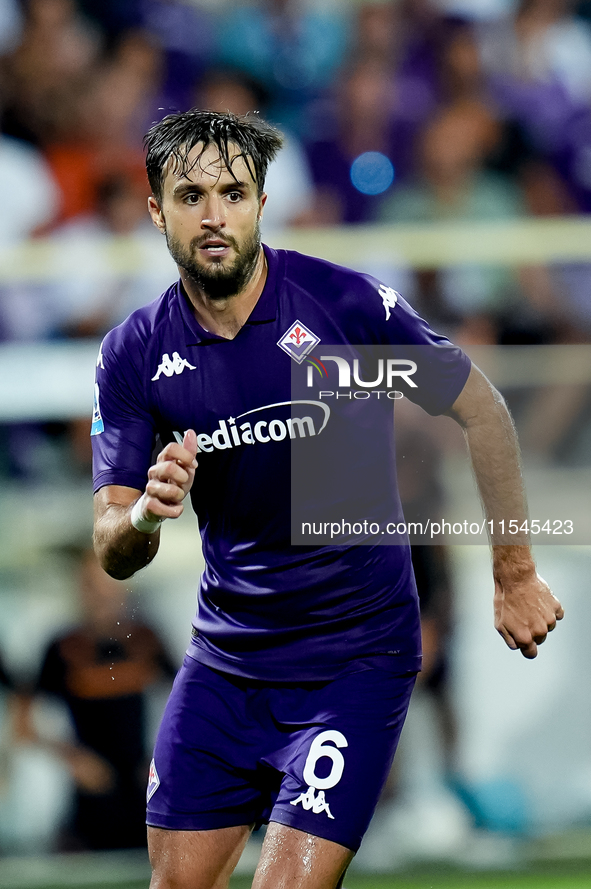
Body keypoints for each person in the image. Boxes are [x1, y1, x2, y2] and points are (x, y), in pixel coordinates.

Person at [91, 110, 564, 889]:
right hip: (227, 660)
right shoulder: (135, 354)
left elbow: (480, 407)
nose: (214, 215)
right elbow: (112, 543)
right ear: (155, 210)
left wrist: (512, 572)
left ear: (261, 203)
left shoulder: (341, 306)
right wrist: (146, 512)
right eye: (190, 195)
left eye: (233, 193)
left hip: (354, 656)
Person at [14, 548, 176, 851]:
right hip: (89, 801)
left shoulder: (144, 637)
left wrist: (162, 754)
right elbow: (22, 725)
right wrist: (75, 760)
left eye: (108, 584)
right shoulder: (62, 647)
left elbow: (188, 701)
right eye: (91, 585)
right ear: (79, 589)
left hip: (144, 792)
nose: (102, 595)